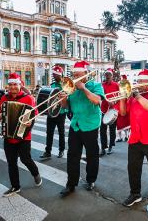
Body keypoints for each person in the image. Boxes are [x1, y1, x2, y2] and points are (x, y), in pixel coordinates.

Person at [119, 69, 148, 207]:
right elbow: (122, 112)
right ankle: (135, 194)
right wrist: (122, 97)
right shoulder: (133, 96)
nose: (139, 84)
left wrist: (137, 96)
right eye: (138, 81)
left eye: (142, 81)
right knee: (133, 167)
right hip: (135, 138)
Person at [59, 61, 104, 197]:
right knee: (72, 155)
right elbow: (67, 107)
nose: (75, 77)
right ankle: (70, 184)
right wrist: (63, 99)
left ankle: (91, 180)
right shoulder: (71, 88)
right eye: (74, 75)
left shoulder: (96, 85)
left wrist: (83, 88)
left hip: (90, 125)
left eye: (78, 75)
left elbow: (97, 101)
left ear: (86, 74)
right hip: (76, 125)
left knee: (92, 155)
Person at [0, 73, 42, 197]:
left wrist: (30, 120)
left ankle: (36, 173)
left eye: (15, 84)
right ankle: (15, 186)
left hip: (24, 136)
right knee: (11, 162)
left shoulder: (28, 98)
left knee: (25, 159)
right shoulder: (4, 98)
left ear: (20, 85)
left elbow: (35, 114)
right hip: (8, 136)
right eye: (10, 84)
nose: (13, 87)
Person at [40, 65, 67, 159]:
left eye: (55, 75)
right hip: (51, 113)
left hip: (61, 112)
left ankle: (61, 150)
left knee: (61, 133)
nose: (54, 76)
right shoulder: (52, 85)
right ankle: (48, 151)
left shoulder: (65, 85)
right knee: (49, 132)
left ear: (60, 75)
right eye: (53, 74)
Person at [100, 68, 120, 156]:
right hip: (103, 109)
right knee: (102, 130)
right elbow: (99, 96)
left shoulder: (116, 85)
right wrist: (105, 100)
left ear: (112, 76)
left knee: (112, 129)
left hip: (113, 109)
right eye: (106, 75)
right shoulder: (101, 85)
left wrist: (114, 102)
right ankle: (104, 147)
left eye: (109, 75)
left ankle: (111, 145)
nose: (107, 76)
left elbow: (120, 96)